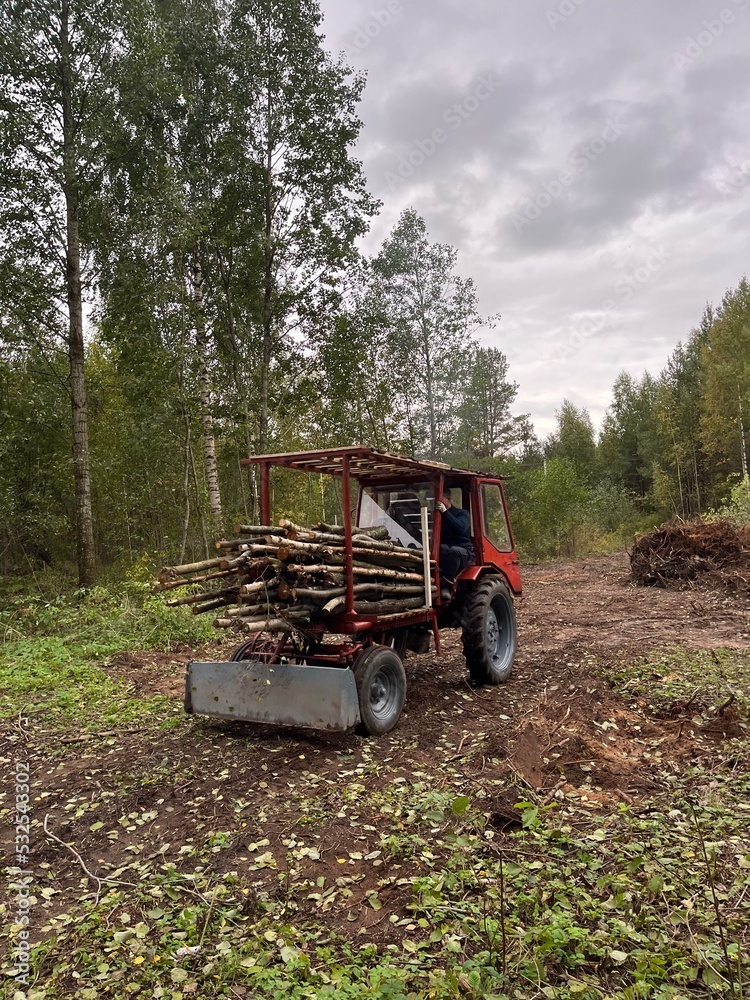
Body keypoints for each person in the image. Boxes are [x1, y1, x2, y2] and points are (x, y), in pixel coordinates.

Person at [435, 492, 473, 585]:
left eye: (440, 498)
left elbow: (461, 528)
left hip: (463, 550)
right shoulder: (436, 516)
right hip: (446, 548)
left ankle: (447, 585)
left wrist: (445, 513)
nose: (437, 501)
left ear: (448, 499)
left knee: (454, 551)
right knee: (442, 548)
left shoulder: (462, 513)